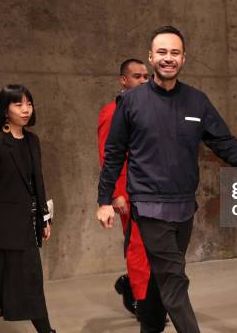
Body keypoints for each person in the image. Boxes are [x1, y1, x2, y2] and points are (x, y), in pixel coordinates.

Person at [96, 26, 237, 333]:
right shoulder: (132, 103)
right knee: (175, 280)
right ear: (151, 57)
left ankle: (149, 327)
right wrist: (104, 200)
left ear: (184, 59)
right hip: (148, 206)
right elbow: (113, 153)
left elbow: (223, 142)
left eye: (174, 53)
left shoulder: (197, 102)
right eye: (162, 52)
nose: (168, 58)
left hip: (183, 207)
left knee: (161, 276)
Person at [0, 85, 54, 333]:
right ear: (5, 110)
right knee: (28, 281)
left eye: (29, 103)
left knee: (1, 280)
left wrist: (44, 219)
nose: (26, 109)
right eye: (18, 104)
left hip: (27, 225)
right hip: (2, 227)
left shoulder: (32, 141)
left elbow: (38, 184)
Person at [98, 59, 167, 330]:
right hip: (129, 193)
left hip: (155, 192)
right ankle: (142, 302)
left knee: (155, 249)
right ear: (123, 81)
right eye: (136, 76)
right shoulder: (111, 112)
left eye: (145, 76)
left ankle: (133, 287)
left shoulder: (151, 110)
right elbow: (108, 157)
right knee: (138, 247)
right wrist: (115, 193)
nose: (143, 80)